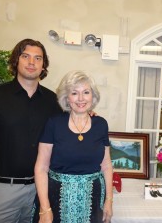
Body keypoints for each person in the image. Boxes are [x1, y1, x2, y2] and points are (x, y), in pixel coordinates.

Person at [0, 39, 65, 223]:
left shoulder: (53, 102)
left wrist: (86, 116)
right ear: (16, 61)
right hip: (2, 193)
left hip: (40, 192)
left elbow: (67, 133)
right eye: (25, 56)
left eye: (38, 58)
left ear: (43, 65)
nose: (31, 62)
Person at [31, 70, 113, 223]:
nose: (81, 98)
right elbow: (41, 167)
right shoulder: (54, 123)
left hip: (93, 201)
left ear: (93, 96)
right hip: (55, 201)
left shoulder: (101, 124)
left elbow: (107, 165)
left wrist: (109, 200)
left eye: (86, 92)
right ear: (67, 98)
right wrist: (45, 208)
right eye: (74, 93)